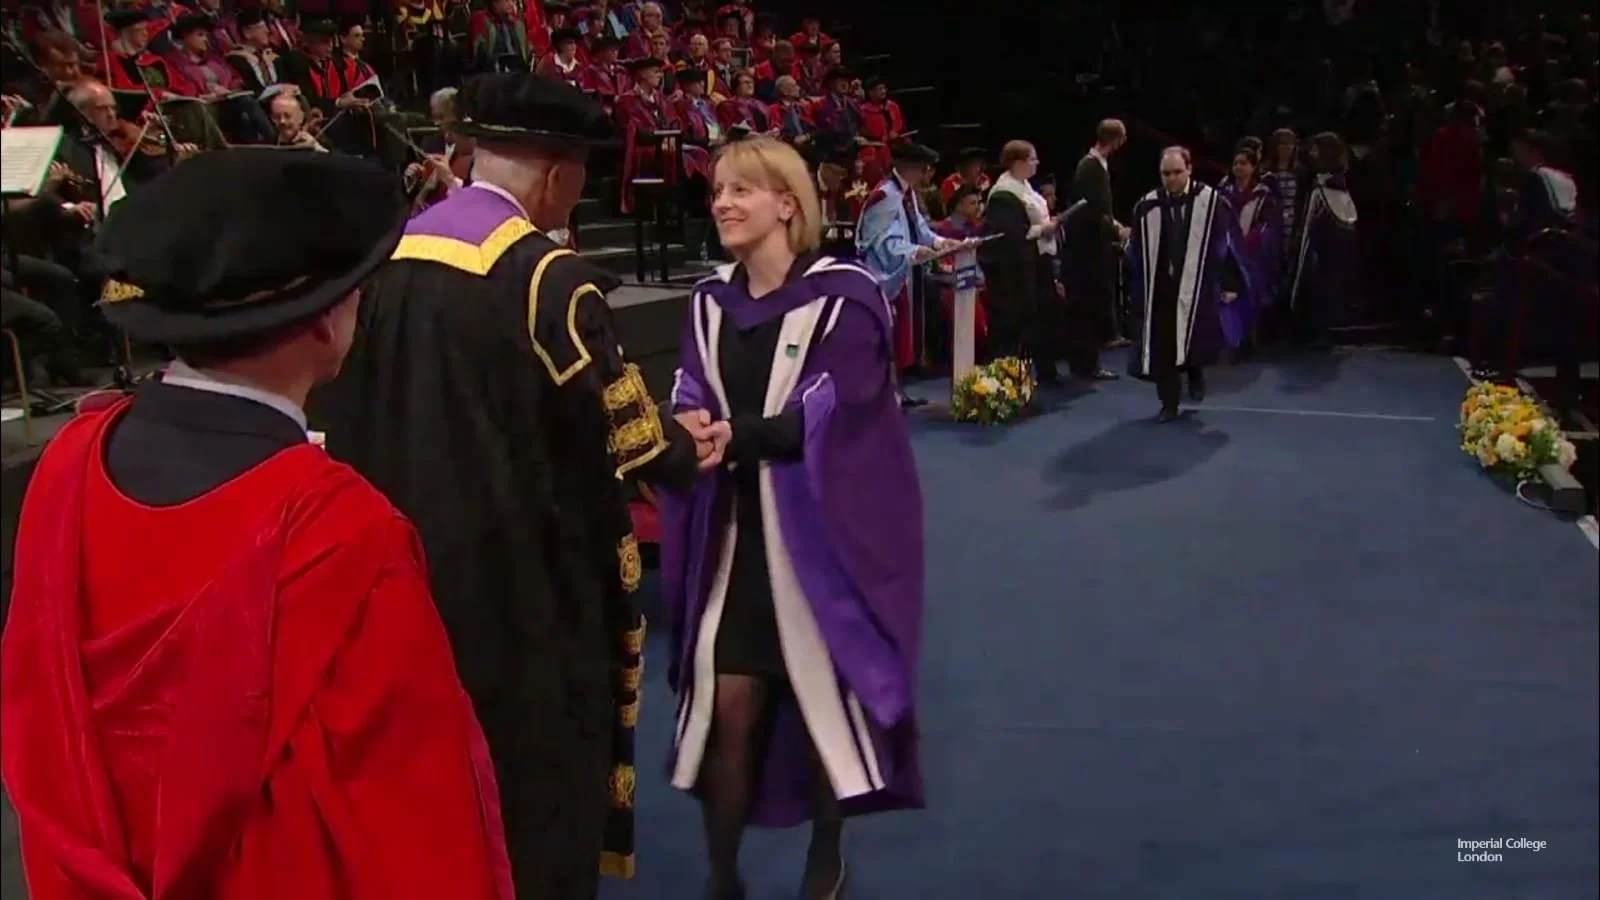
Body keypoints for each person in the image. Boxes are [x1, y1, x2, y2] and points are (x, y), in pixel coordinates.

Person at [0, 150, 512, 899]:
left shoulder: (69, 461)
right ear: (324, 324)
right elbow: (411, 813)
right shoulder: (344, 530)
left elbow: (39, 709)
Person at [320, 73, 724, 900]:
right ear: (557, 175)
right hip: (520, 588)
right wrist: (688, 446)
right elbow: (630, 434)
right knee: (536, 790)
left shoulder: (389, 257)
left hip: (401, 568)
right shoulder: (545, 276)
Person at [658, 135, 925, 900]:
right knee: (731, 709)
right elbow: (689, 391)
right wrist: (686, 429)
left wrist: (731, 436)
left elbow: (834, 411)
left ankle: (827, 853)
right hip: (735, 538)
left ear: (788, 204)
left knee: (816, 705)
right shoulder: (711, 303)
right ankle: (721, 881)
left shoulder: (845, 297)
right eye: (716, 192)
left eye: (741, 190)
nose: (723, 205)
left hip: (818, 540)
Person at [1126, 147, 1252, 422]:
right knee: (1163, 347)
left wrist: (1231, 283)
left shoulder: (1212, 202)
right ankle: (1168, 403)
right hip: (1161, 291)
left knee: (1196, 340)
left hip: (1199, 287)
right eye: (1165, 173)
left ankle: (1195, 372)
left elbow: (1229, 244)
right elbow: (1136, 250)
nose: (1171, 178)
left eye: (1176, 172)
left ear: (1190, 169)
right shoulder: (1147, 206)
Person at [855, 141, 976, 406]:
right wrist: (914, 251)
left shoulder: (906, 193)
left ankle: (896, 391)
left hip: (906, 276)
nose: (926, 176)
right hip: (885, 276)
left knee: (902, 335)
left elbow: (920, 229)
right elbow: (878, 241)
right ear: (907, 168)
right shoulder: (884, 196)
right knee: (887, 335)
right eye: (923, 170)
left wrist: (940, 243)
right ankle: (883, 394)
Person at [981, 140, 1070, 382]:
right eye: (1032, 159)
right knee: (1016, 321)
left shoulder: (1026, 187)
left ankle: (1046, 369)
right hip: (1015, 268)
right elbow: (1011, 232)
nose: (1036, 163)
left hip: (1037, 261)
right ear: (1017, 162)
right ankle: (1007, 376)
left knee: (1045, 315)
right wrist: (1044, 228)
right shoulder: (1003, 193)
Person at [1064, 118, 1129, 382]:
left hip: (1093, 246)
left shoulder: (1095, 165)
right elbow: (1093, 210)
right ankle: (1086, 365)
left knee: (1090, 306)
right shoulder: (1090, 167)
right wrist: (1116, 229)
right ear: (1117, 140)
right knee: (1087, 307)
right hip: (1087, 250)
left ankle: (1086, 363)